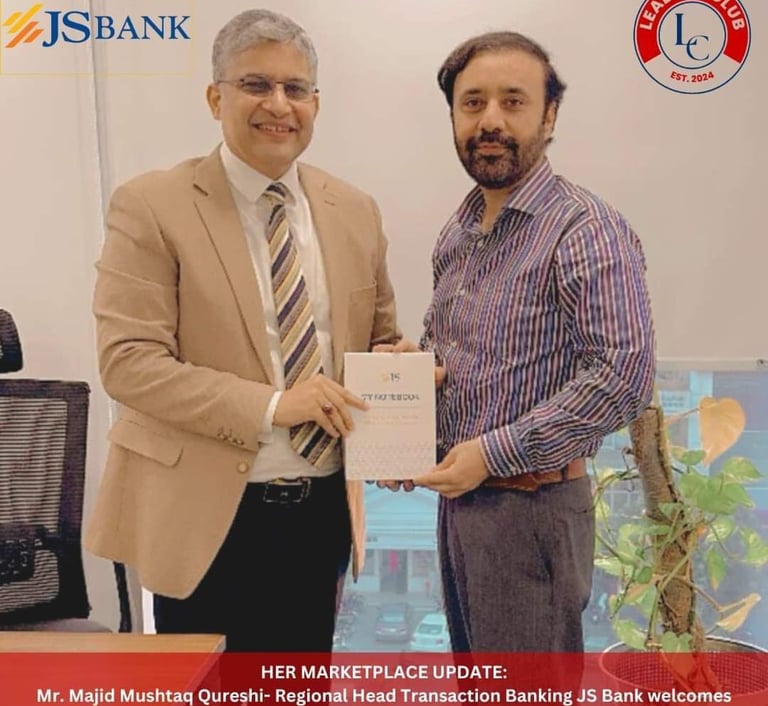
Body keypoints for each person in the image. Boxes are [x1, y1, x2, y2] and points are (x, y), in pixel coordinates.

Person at [85, 9, 400, 653]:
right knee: (209, 690)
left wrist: (401, 370)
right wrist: (277, 406)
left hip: (320, 516)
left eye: (296, 88)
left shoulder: (355, 210)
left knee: (298, 687)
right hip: (203, 521)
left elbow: (379, 339)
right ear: (215, 98)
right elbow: (130, 362)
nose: (279, 104)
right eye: (256, 84)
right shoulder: (152, 205)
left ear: (315, 103)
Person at [379, 31, 655, 653]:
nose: (491, 121)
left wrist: (492, 453)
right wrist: (411, 380)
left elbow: (622, 377)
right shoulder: (459, 232)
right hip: (463, 505)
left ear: (549, 116)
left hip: (534, 508)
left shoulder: (584, 228)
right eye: (472, 103)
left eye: (513, 101)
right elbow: (461, 362)